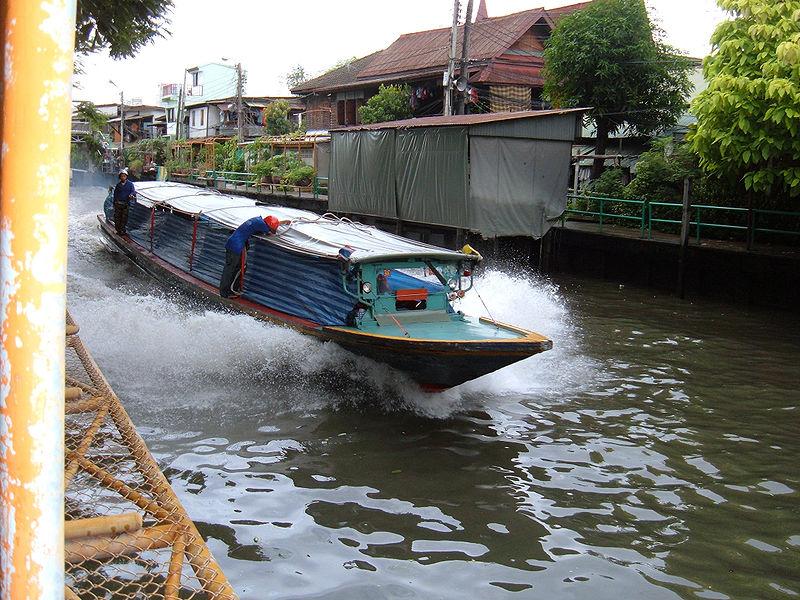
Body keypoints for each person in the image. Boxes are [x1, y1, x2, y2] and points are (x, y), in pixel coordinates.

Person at [219, 214, 291, 298]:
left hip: (234, 244)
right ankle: (224, 293)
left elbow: (270, 224)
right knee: (230, 270)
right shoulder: (262, 225)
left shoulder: (258, 220)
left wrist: (283, 222)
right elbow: (271, 233)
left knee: (239, 268)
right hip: (235, 247)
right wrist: (280, 225)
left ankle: (233, 289)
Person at [113, 169, 137, 235]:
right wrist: (114, 203)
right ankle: (118, 230)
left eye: (124, 176)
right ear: (120, 177)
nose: (123, 177)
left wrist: (131, 195)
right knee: (117, 218)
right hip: (118, 204)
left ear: (126, 177)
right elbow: (115, 195)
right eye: (122, 176)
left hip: (126, 204)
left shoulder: (130, 184)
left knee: (124, 218)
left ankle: (123, 230)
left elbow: (133, 191)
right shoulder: (118, 185)